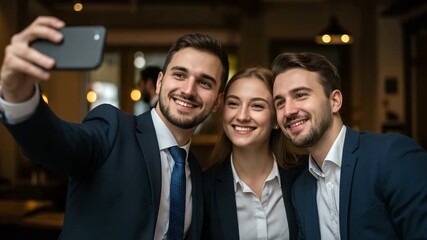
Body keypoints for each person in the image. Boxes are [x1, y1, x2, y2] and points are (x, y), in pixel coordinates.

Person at [0, 16, 229, 240]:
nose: (188, 90)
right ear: (160, 83)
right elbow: (55, 143)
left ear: (217, 101)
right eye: (179, 74)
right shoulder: (113, 129)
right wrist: (18, 95)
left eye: (204, 83)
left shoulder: (197, 175)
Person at [271, 52, 427, 239]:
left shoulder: (392, 156)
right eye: (280, 103)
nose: (288, 111)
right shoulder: (301, 188)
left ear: (335, 101)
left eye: (301, 95)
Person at [202, 67, 304, 240]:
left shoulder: (306, 176)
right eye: (233, 103)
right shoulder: (204, 188)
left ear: (276, 119)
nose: (242, 116)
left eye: (257, 106)